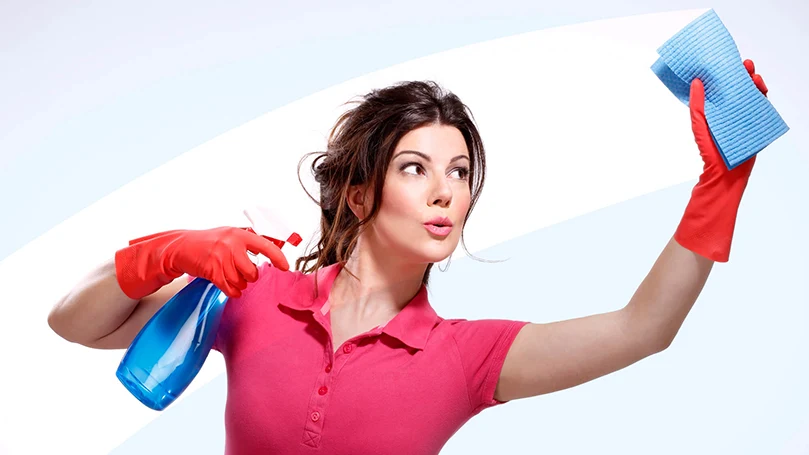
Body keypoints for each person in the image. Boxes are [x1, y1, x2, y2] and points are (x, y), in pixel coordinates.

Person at [48, 59, 770, 454]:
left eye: (460, 173)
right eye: (416, 167)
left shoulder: (463, 357)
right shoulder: (254, 297)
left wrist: (718, 187)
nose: (446, 192)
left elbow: (641, 328)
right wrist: (167, 251)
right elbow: (73, 321)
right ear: (359, 195)